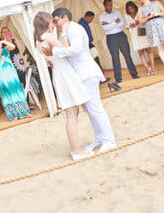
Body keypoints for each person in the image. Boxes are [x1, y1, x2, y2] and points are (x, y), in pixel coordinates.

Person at [40, 8, 117, 153]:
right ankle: (100, 138)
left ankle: (109, 140)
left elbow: (76, 49)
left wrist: (54, 52)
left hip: (87, 72)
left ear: (65, 18)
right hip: (79, 75)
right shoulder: (67, 31)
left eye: (56, 20)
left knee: (95, 108)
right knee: (88, 109)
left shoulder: (75, 29)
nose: (55, 24)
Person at [34, 12, 93, 160]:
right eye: (51, 22)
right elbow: (66, 50)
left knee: (72, 112)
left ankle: (76, 148)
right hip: (64, 73)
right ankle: (76, 150)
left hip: (58, 72)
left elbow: (49, 59)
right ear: (46, 23)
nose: (53, 24)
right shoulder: (48, 36)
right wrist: (65, 33)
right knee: (71, 113)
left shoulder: (37, 40)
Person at [0, 34, 31, 121]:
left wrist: (4, 41)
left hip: (11, 72)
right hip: (3, 74)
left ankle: (25, 112)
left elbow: (13, 46)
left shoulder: (6, 49)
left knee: (17, 90)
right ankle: (13, 115)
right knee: (8, 93)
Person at [99, 0, 138, 87]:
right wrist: (114, 22)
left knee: (127, 55)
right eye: (108, 5)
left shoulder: (117, 13)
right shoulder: (101, 16)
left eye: (111, 4)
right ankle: (118, 78)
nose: (110, 6)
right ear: (104, 6)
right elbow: (105, 28)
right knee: (115, 58)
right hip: (111, 38)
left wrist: (109, 24)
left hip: (121, 35)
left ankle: (134, 74)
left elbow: (121, 24)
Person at [77, 11, 110, 84]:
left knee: (96, 60)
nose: (91, 21)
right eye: (91, 19)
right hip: (87, 45)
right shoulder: (81, 25)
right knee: (95, 61)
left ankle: (101, 78)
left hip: (89, 45)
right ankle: (100, 78)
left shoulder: (83, 23)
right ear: (87, 17)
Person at [125, 1, 156, 76]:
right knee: (141, 52)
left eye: (132, 8)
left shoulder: (140, 11)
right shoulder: (126, 16)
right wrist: (131, 25)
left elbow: (146, 20)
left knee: (148, 50)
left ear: (134, 7)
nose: (131, 10)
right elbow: (127, 27)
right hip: (135, 35)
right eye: (129, 9)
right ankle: (147, 68)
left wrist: (139, 22)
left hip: (143, 31)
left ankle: (153, 67)